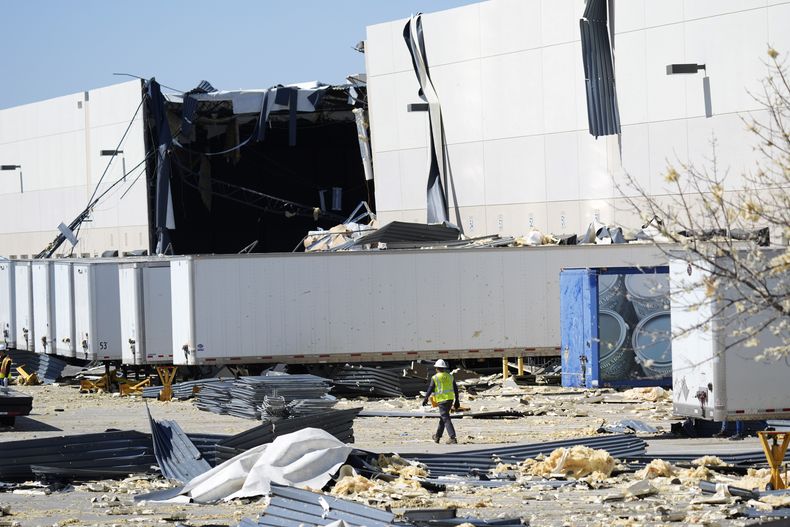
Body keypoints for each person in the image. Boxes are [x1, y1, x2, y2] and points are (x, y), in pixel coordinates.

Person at [421, 359, 460, 444]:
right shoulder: (450, 376)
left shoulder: (435, 377)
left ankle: (452, 437)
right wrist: (457, 400)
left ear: (436, 368)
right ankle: (437, 436)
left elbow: (430, 388)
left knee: (445, 418)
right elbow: (455, 388)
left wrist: (425, 398)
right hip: (450, 399)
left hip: (442, 400)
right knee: (443, 418)